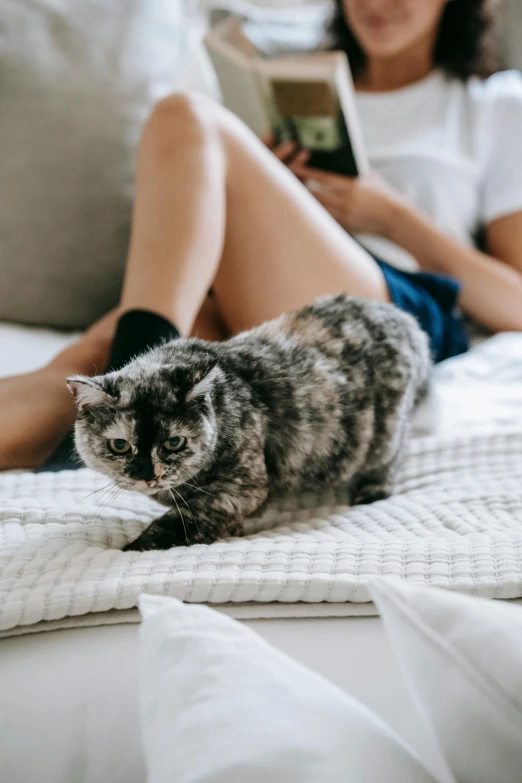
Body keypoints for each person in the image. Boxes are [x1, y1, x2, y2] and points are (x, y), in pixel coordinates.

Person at [2, 0, 522, 473]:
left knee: (187, 116)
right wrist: (267, 186)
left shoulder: (493, 105)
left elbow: (515, 301)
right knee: (81, 370)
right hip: (235, 282)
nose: (375, 3)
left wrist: (391, 215)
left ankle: (137, 388)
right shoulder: (291, 83)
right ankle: (129, 392)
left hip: (378, 303)